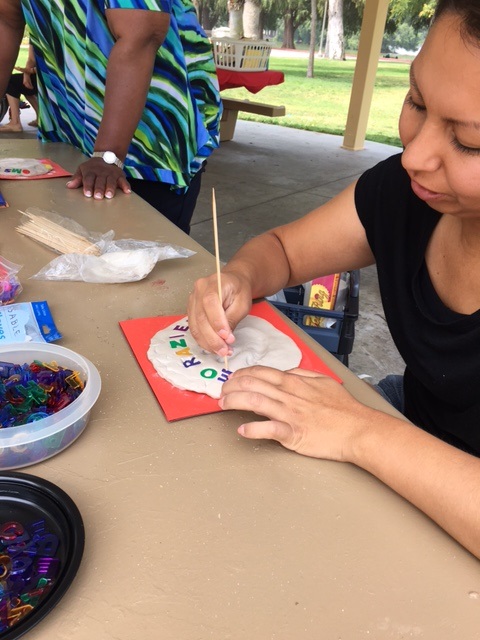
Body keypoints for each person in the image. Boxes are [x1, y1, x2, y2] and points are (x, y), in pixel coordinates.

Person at [187, 0, 480, 560]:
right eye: (416, 102)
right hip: (405, 421)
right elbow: (283, 249)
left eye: (469, 141)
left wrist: (360, 431)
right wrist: (241, 276)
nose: (414, 155)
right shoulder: (406, 194)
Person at [0, 0, 221, 234]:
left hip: (150, 141)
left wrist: (108, 156)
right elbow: (6, 19)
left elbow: (141, 34)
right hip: (69, 134)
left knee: (140, 259)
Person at [0, 44, 38, 133]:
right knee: (23, 83)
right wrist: (26, 74)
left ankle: (15, 123)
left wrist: (31, 71)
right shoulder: (35, 36)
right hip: (38, 74)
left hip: (54, 80)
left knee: (11, 81)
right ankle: (41, 117)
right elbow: (31, 59)